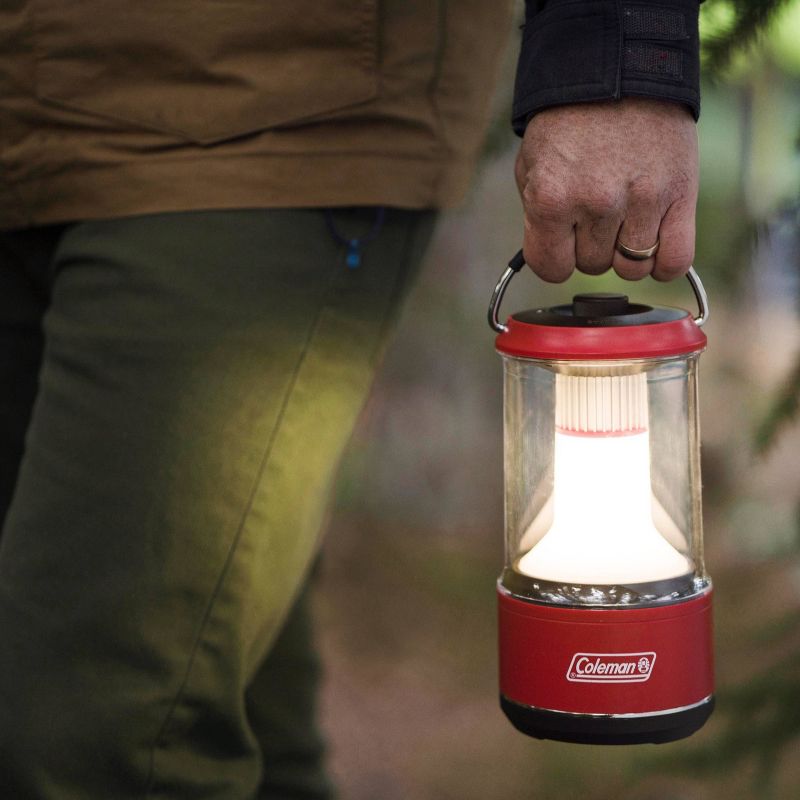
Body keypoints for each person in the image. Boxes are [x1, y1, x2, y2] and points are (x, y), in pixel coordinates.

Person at [0, 1, 701, 797]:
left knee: (102, 728)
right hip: (32, 107)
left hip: (281, 108)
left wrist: (612, 60)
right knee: (215, 692)